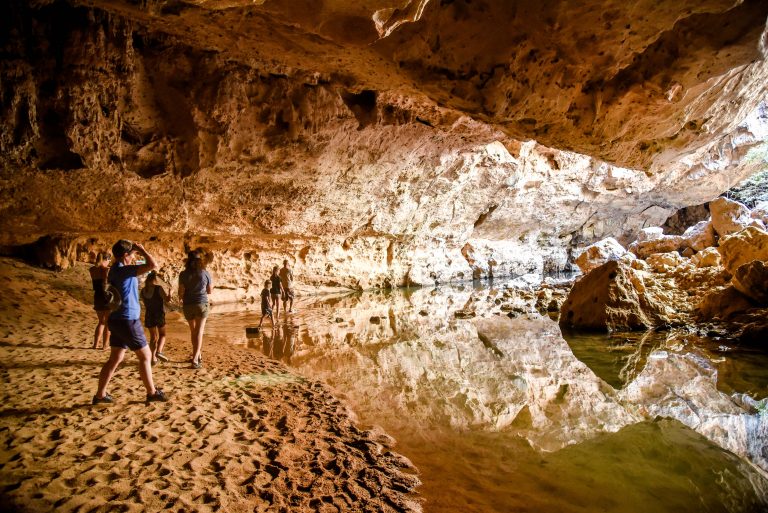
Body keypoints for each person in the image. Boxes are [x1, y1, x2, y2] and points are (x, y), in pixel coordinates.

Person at [93, 240, 167, 404]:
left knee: (115, 358)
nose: (134, 257)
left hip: (116, 319)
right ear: (125, 255)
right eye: (132, 254)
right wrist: (142, 249)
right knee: (146, 356)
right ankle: (152, 392)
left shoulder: (116, 270)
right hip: (128, 320)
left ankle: (100, 395)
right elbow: (152, 264)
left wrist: (136, 252)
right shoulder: (124, 270)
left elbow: (142, 267)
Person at [178, 250, 212, 369]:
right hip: (201, 303)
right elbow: (209, 291)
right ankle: (195, 359)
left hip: (188, 304)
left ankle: (197, 354)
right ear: (200, 261)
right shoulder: (205, 273)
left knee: (193, 331)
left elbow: (180, 292)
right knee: (199, 332)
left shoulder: (183, 274)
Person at [141, 271, 170, 365]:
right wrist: (170, 292)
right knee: (162, 335)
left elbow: (145, 304)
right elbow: (167, 300)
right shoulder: (158, 288)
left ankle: (153, 359)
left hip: (149, 315)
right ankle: (159, 351)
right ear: (154, 279)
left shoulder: (143, 291)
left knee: (153, 338)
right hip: (159, 314)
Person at [89, 251, 111, 350]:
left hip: (97, 296)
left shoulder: (92, 269)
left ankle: (95, 344)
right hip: (107, 296)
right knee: (107, 323)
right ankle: (105, 345)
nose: (109, 262)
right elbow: (107, 284)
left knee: (101, 322)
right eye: (109, 260)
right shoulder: (107, 270)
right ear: (106, 259)